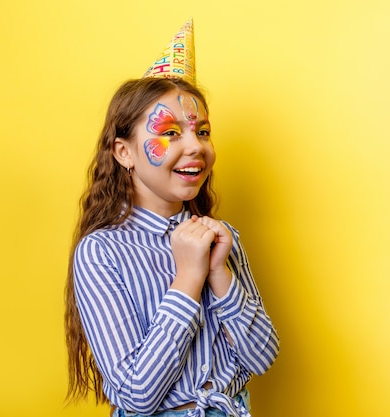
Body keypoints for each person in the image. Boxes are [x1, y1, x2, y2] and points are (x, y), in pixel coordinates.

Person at [63, 21, 279, 417]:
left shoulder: (223, 237)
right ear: (124, 152)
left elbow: (262, 358)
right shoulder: (101, 252)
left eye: (203, 131)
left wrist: (218, 272)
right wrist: (188, 278)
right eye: (171, 132)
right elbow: (137, 397)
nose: (196, 147)